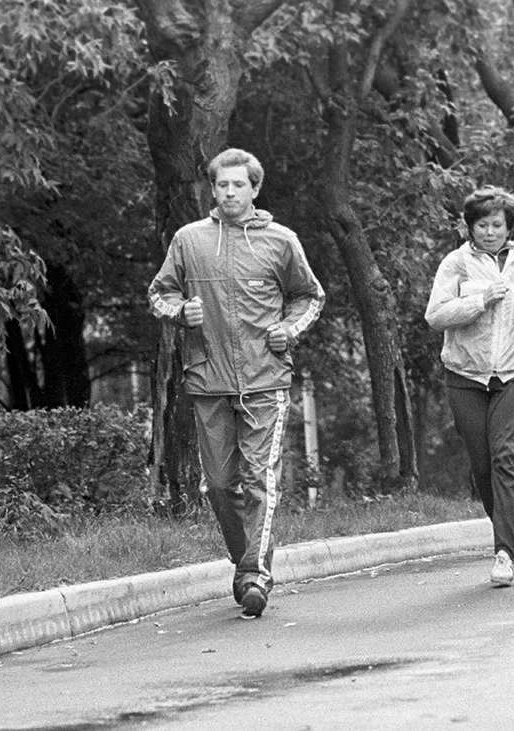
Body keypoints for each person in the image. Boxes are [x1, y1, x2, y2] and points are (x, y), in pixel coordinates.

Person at [148, 148, 325, 617]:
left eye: (238, 185)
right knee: (219, 485)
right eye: (222, 185)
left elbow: (310, 297)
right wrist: (180, 311)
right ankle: (243, 559)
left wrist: (288, 330)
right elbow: (159, 293)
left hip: (266, 378)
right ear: (212, 189)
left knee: (259, 478)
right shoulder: (189, 240)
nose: (229, 193)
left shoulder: (281, 241)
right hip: (208, 379)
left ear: (254, 189)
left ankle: (255, 575)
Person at [425, 185, 514, 587]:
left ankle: (504, 552)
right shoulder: (456, 263)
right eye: (482, 225)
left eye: (497, 225)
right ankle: (504, 524)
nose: (489, 232)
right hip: (466, 375)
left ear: (509, 226)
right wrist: (480, 300)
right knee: (483, 466)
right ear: (470, 226)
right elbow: (435, 315)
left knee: (508, 460)